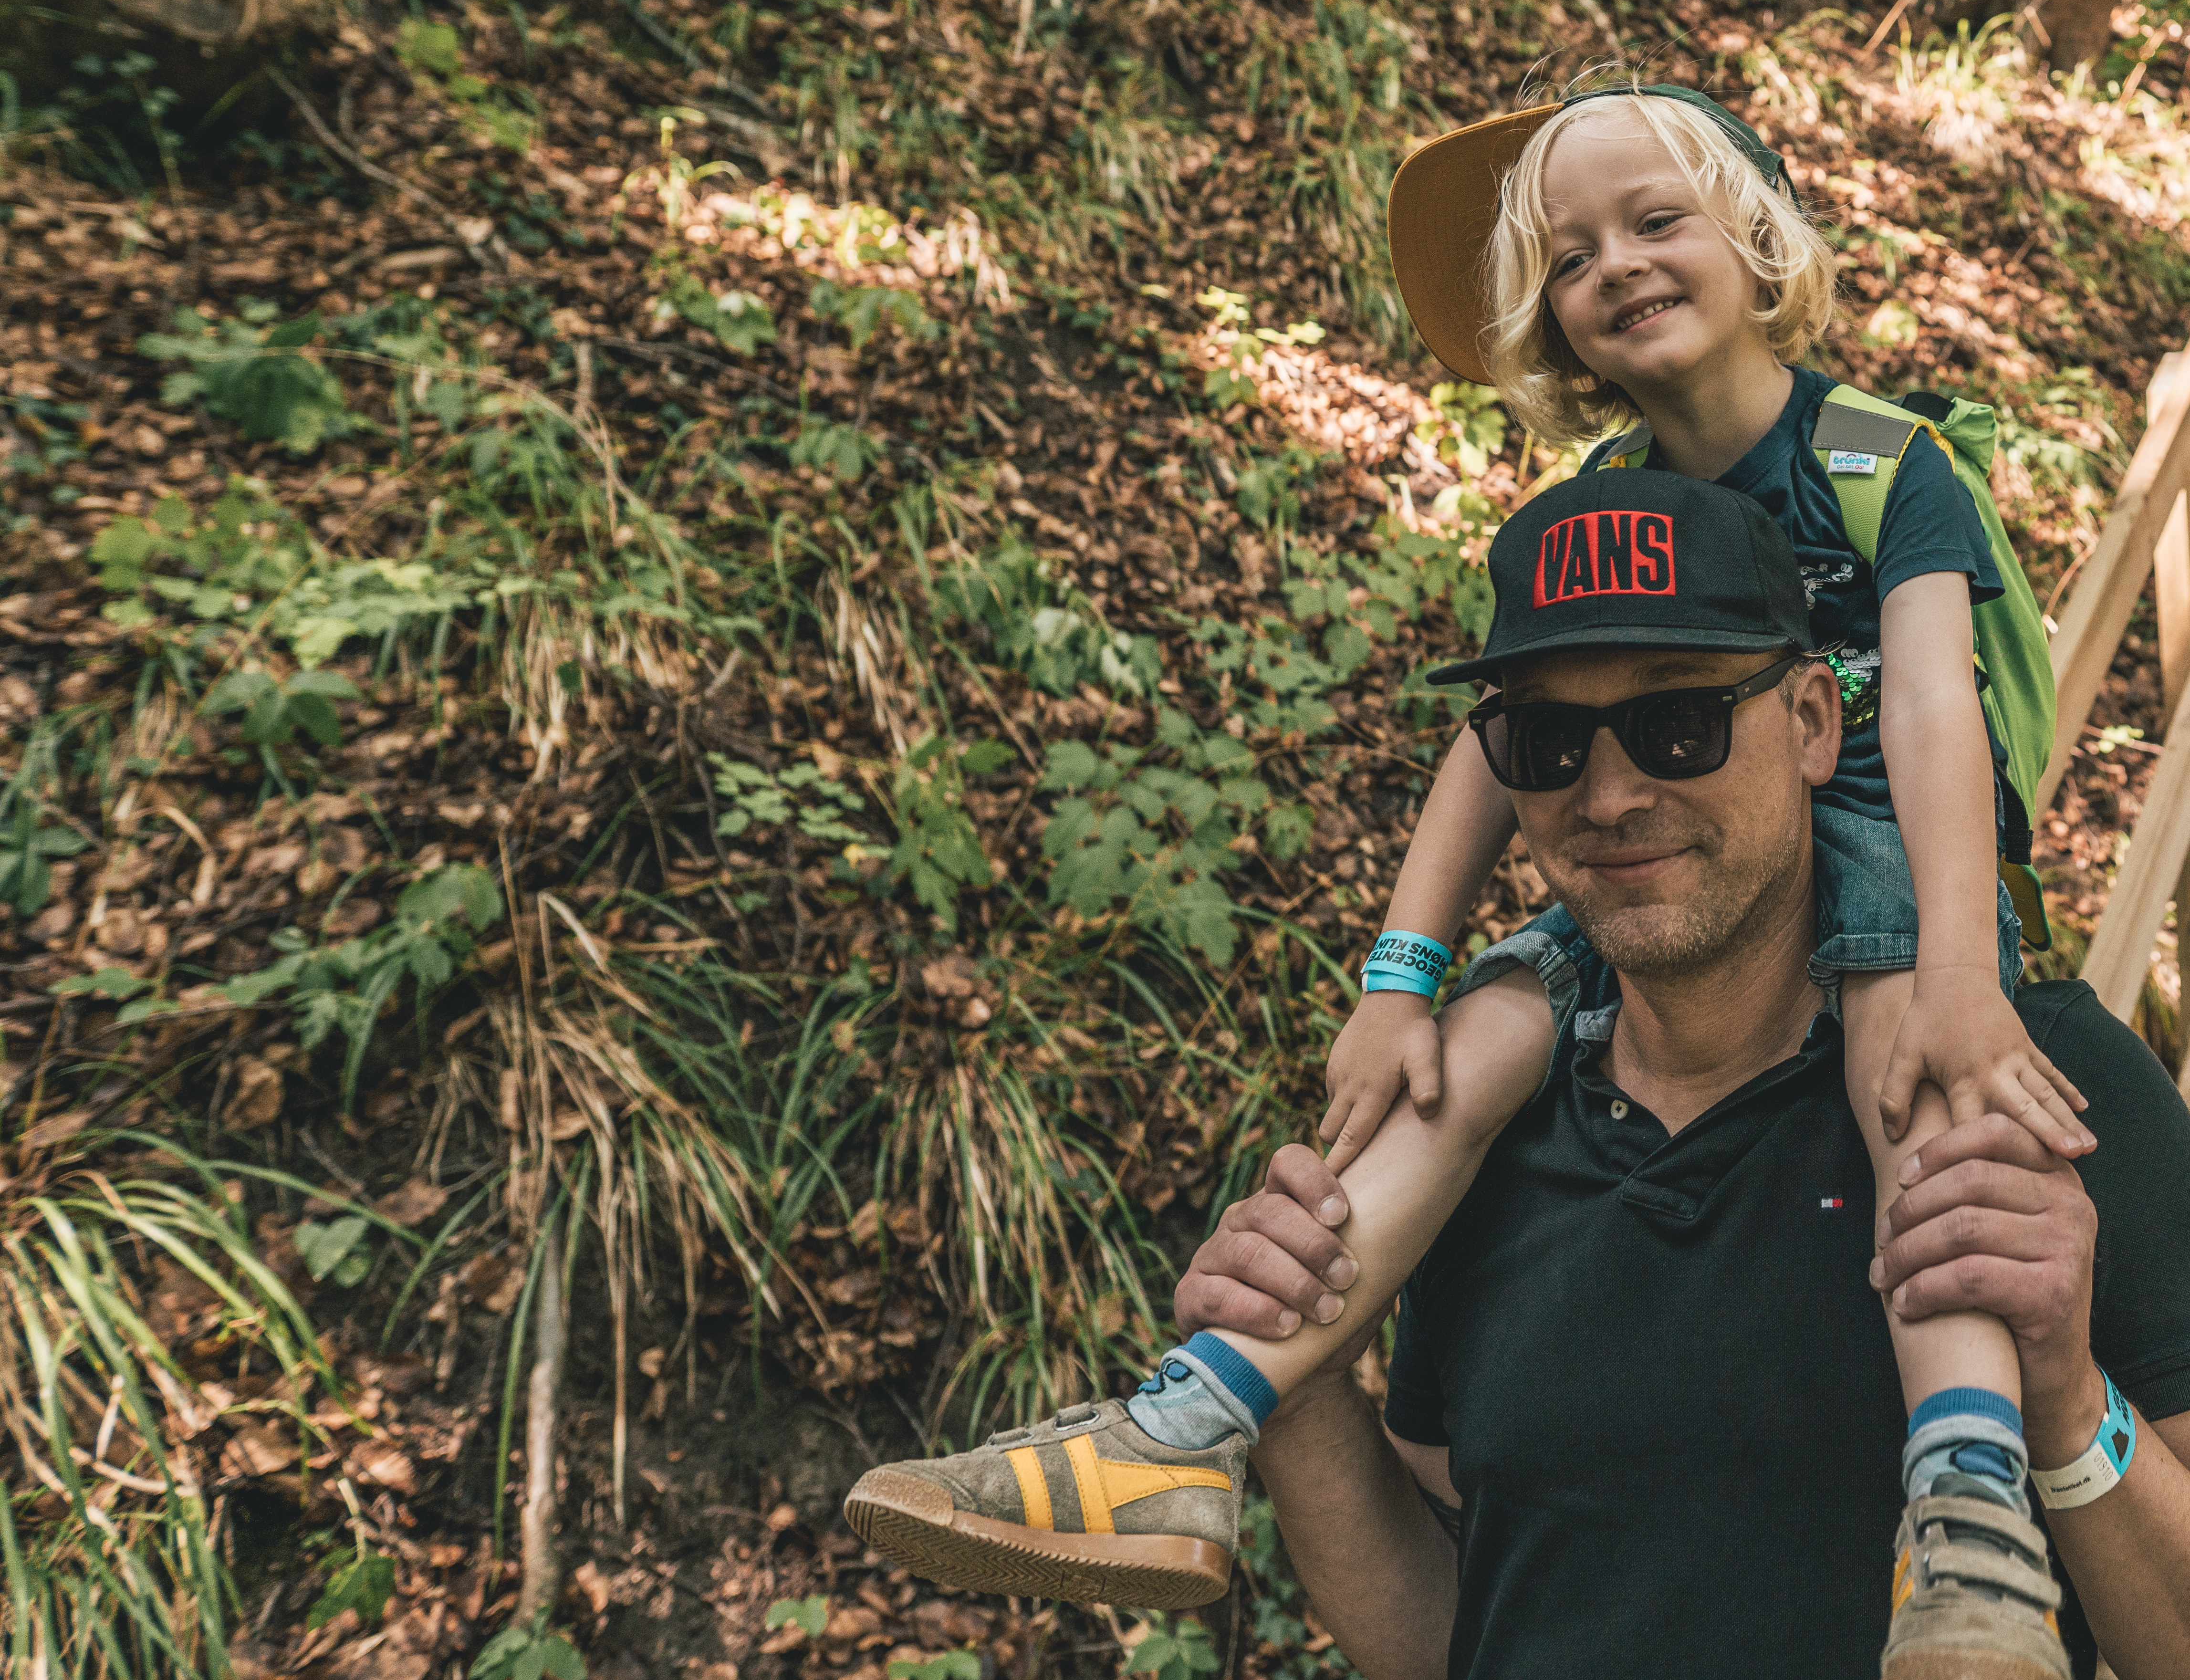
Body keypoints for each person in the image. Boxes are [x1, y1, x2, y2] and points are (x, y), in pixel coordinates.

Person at [845, 82, 2121, 1677]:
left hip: (1875, 828)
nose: (1618, 265)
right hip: (1663, 845)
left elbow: (1933, 703)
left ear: (1757, 237)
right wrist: (1403, 978)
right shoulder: (1593, 505)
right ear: (1549, 316)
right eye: (1573, 254)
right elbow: (1495, 746)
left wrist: (1959, 971)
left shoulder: (1877, 458)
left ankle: (1972, 1523)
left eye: (1655, 220)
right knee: (1480, 1047)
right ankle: (1192, 1423)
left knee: (1909, 1078)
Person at [1179, 466, 2190, 1678]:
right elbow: (1466, 1626)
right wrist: (1301, 1391)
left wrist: (2067, 1404)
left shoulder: (2030, 1086)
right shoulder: (1464, 1136)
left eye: (1679, 725)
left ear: (1813, 722)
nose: (1610, 796)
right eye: (1546, 741)